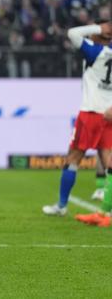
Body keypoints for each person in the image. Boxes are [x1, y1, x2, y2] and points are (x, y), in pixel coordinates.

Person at [41, 21, 112, 226]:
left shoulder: (96, 51)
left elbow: (72, 33)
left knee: (73, 157)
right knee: (109, 161)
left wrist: (99, 29)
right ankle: (106, 209)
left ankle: (61, 206)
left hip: (91, 113)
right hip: (109, 115)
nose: (90, 37)